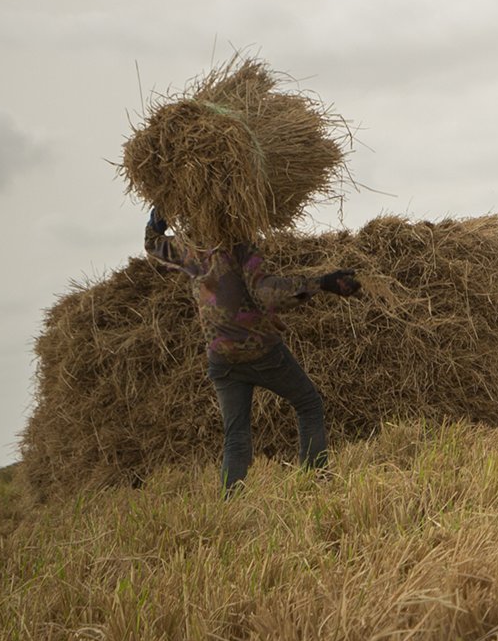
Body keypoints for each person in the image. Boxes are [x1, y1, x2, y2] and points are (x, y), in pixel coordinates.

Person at [142, 207, 363, 491]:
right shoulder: (240, 246)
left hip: (221, 359)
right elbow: (268, 294)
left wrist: (156, 222)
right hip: (260, 351)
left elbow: (154, 245)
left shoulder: (194, 249)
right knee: (308, 403)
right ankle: (315, 481)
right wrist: (323, 283)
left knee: (236, 435)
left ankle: (231, 502)